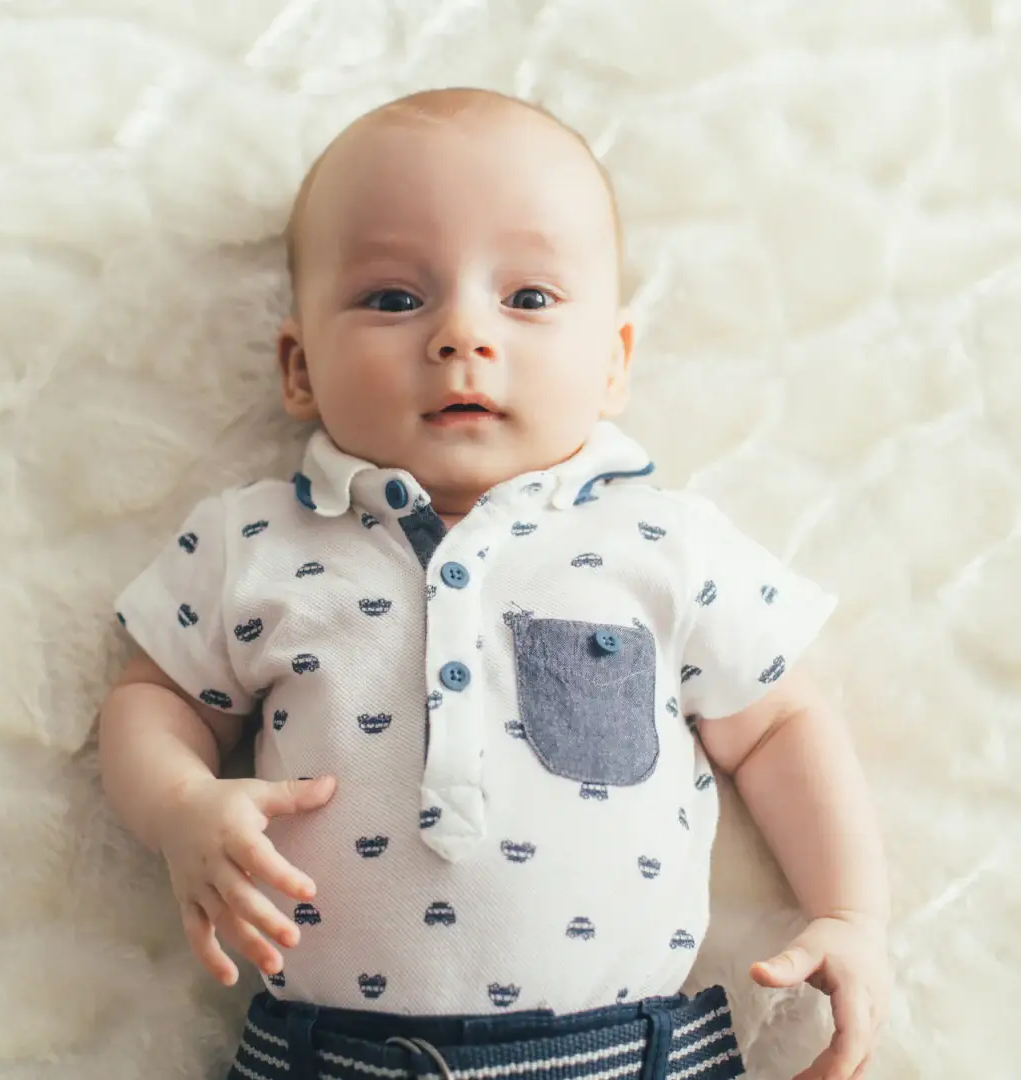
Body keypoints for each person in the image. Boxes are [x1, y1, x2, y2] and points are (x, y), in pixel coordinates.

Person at [98, 87, 890, 1080]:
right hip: (329, 1054)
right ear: (300, 368)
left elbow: (778, 725)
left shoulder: (665, 541)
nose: (461, 334)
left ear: (613, 364)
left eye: (528, 299)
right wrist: (179, 805)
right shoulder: (254, 537)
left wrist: (851, 914)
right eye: (394, 298)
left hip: (620, 1046)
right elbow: (153, 697)